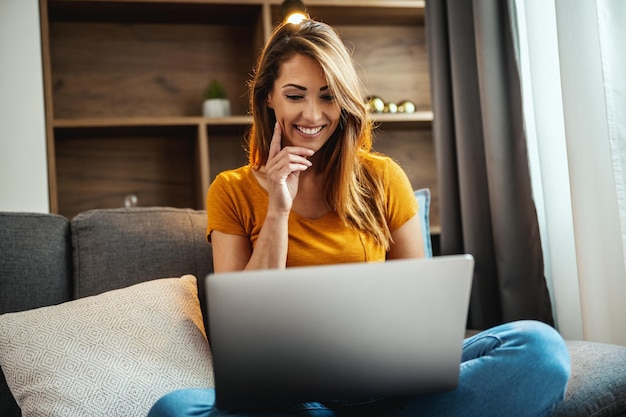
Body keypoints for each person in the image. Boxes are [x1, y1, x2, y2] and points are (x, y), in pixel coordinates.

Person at [148, 19, 570, 417]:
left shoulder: (383, 177)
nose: (313, 115)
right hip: (293, 397)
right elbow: (240, 331)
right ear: (269, 98)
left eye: (328, 95)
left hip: (390, 386)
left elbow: (420, 314)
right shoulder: (232, 189)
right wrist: (279, 209)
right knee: (176, 409)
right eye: (296, 96)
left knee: (540, 348)